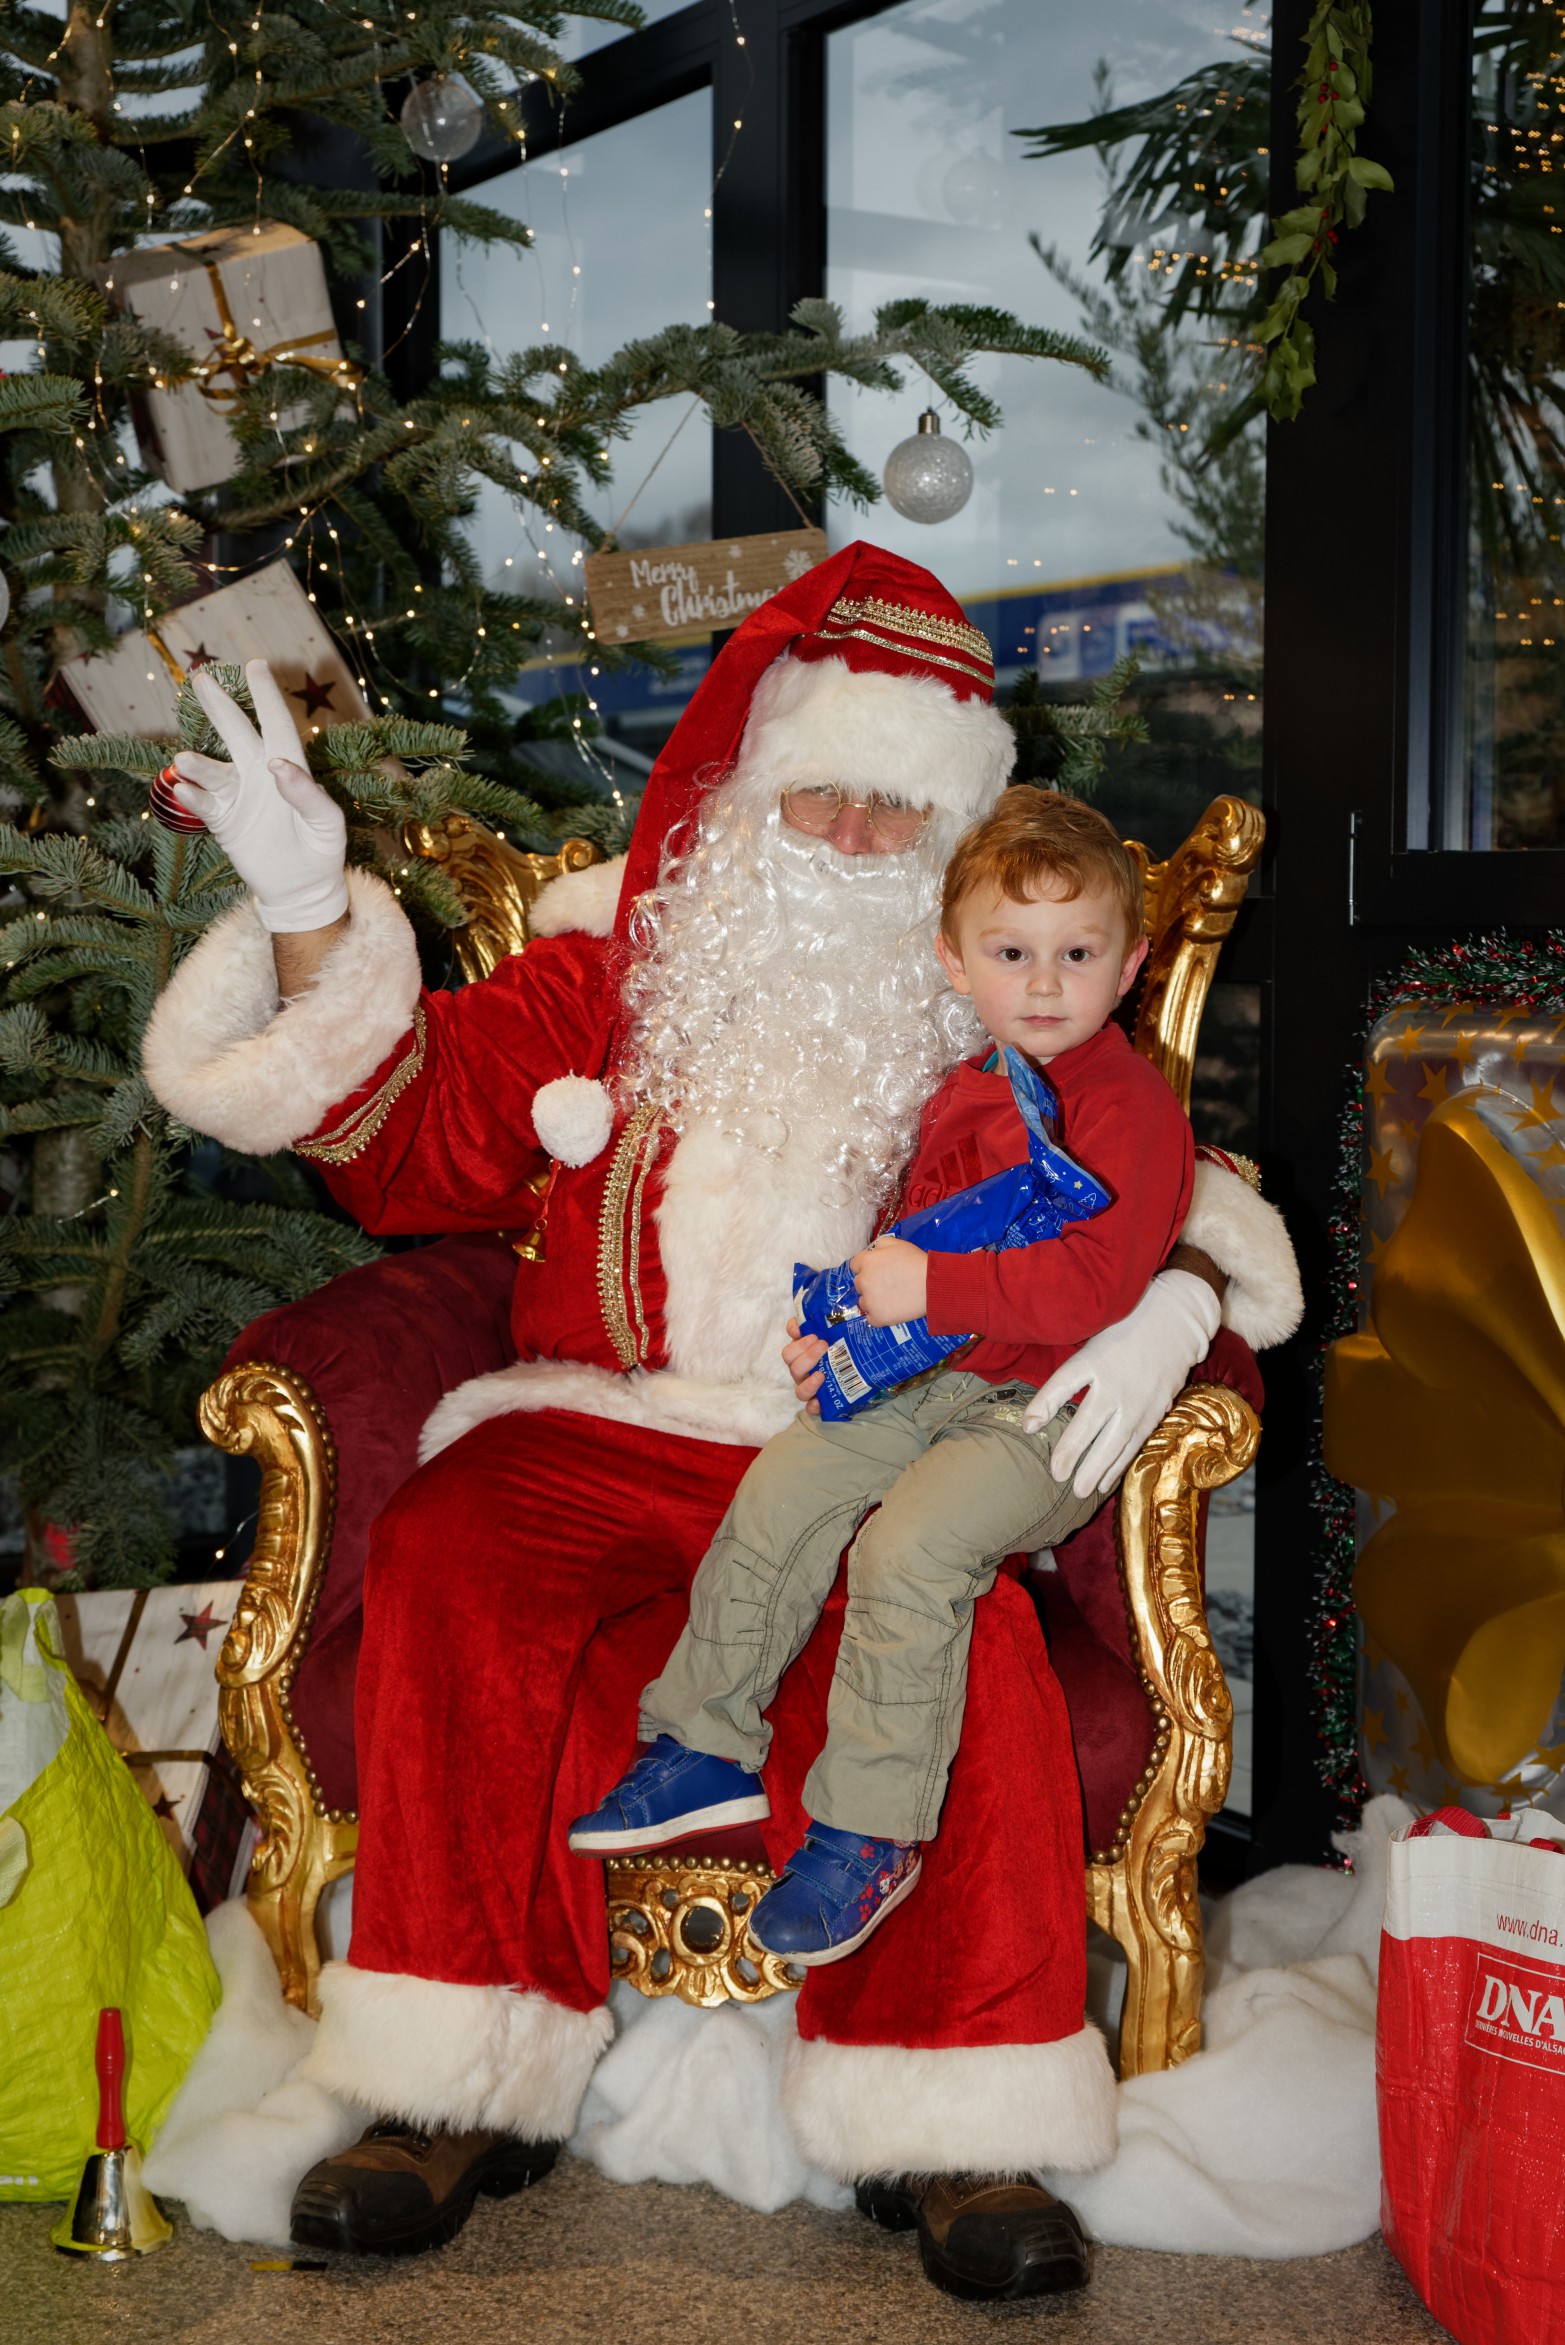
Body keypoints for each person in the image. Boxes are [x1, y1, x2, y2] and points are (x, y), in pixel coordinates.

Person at [142, 542, 1301, 2303]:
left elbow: (1162, 1172)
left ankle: (953, 2118)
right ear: (753, 783)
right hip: (596, 1416)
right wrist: (315, 914)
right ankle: (447, 2086)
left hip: (878, 1433)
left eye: (889, 811)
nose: (841, 839)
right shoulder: (622, 967)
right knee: (452, 1550)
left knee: (960, 1631)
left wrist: (1178, 1303)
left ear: (951, 843)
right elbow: (411, 1147)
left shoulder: (995, 1007)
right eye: (815, 788)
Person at [571, 787, 1192, 1974]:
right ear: (954, 963)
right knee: (787, 1479)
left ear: (1129, 966)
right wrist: (848, 1329)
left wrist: (927, 1294)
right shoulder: (966, 1087)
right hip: (931, 1378)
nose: (1046, 982)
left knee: (905, 1548)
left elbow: (1092, 1290)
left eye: (1077, 953)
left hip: (1045, 1410)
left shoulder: (1126, 1108)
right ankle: (700, 1741)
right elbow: (916, 1249)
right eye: (1012, 954)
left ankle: (866, 1830)